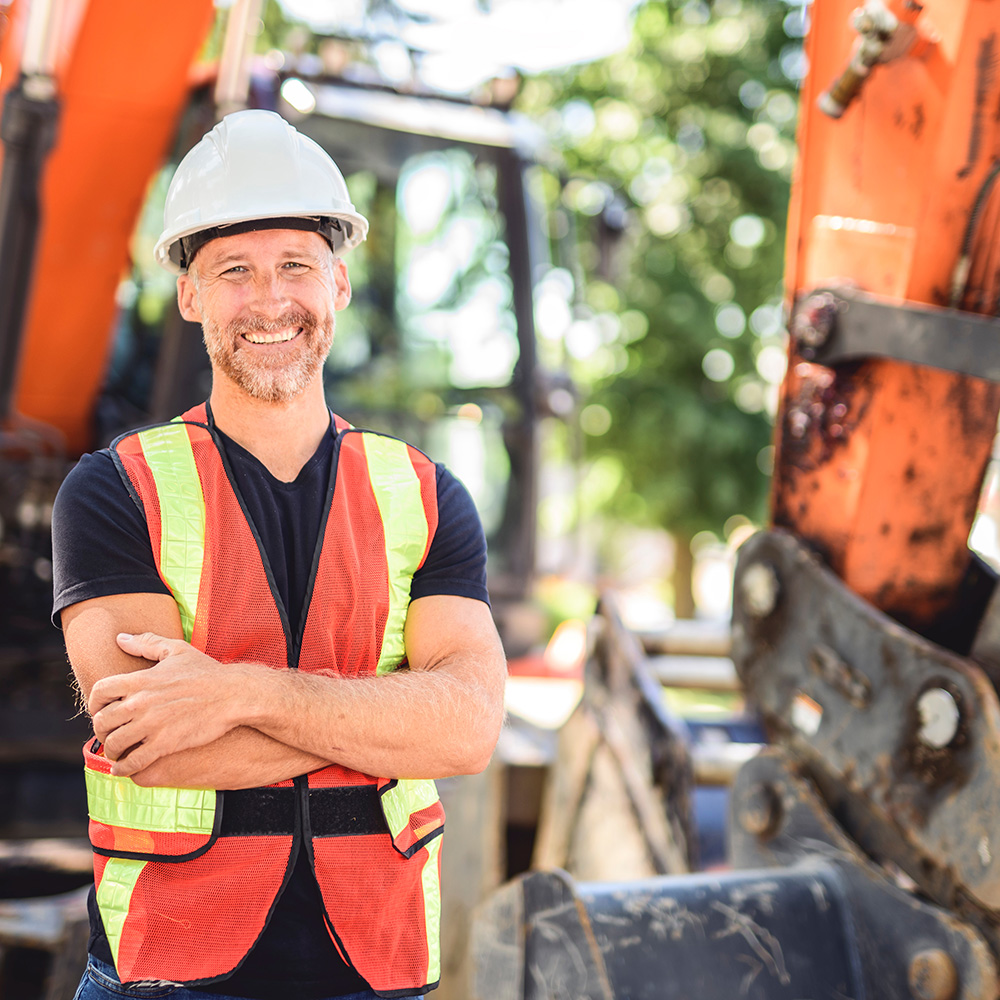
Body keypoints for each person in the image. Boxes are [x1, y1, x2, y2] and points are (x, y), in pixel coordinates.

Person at [52, 109, 507, 1000]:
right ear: (190, 295)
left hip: (376, 967)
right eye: (234, 271)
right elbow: (153, 745)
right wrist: (386, 723)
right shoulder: (114, 489)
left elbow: (469, 727)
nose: (270, 301)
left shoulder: (424, 493)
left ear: (338, 284)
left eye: (296, 265)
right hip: (168, 972)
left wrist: (237, 693)